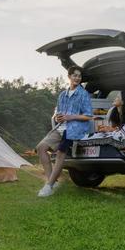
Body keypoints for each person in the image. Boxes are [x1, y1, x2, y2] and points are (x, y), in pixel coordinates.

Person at [36, 65, 93, 197]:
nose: (77, 78)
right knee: (41, 148)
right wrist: (57, 116)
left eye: (79, 76)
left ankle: (48, 186)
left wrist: (71, 117)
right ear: (69, 77)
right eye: (75, 75)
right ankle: (52, 182)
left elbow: (88, 116)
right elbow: (58, 112)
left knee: (61, 152)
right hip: (61, 127)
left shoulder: (83, 95)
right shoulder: (63, 95)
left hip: (75, 128)